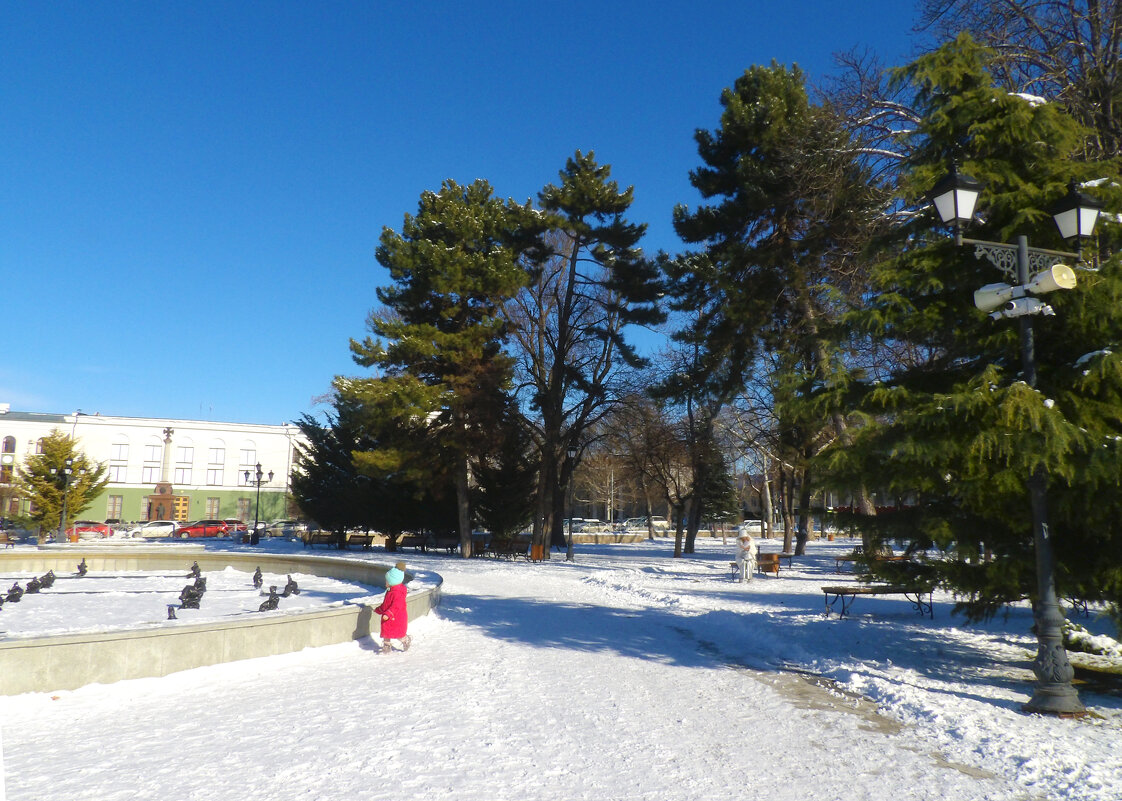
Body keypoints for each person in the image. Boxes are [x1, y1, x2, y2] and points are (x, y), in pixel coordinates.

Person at [374, 565, 411, 653]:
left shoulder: (397, 593)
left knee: (398, 633)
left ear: (393, 581)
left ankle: (405, 640)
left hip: (396, 617)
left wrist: (388, 614)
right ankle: (386, 646)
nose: (385, 583)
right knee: (386, 633)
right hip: (388, 617)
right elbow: (386, 604)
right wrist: (379, 610)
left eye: (387, 581)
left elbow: (396, 605)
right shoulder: (391, 590)